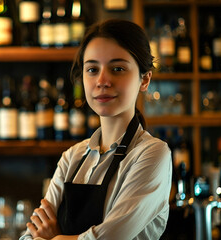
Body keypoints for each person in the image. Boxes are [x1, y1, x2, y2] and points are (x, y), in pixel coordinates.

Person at [20, 19, 172, 240]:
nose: (102, 81)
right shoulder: (71, 158)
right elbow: (28, 236)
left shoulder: (152, 154)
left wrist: (56, 237)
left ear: (145, 79)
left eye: (117, 68)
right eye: (92, 69)